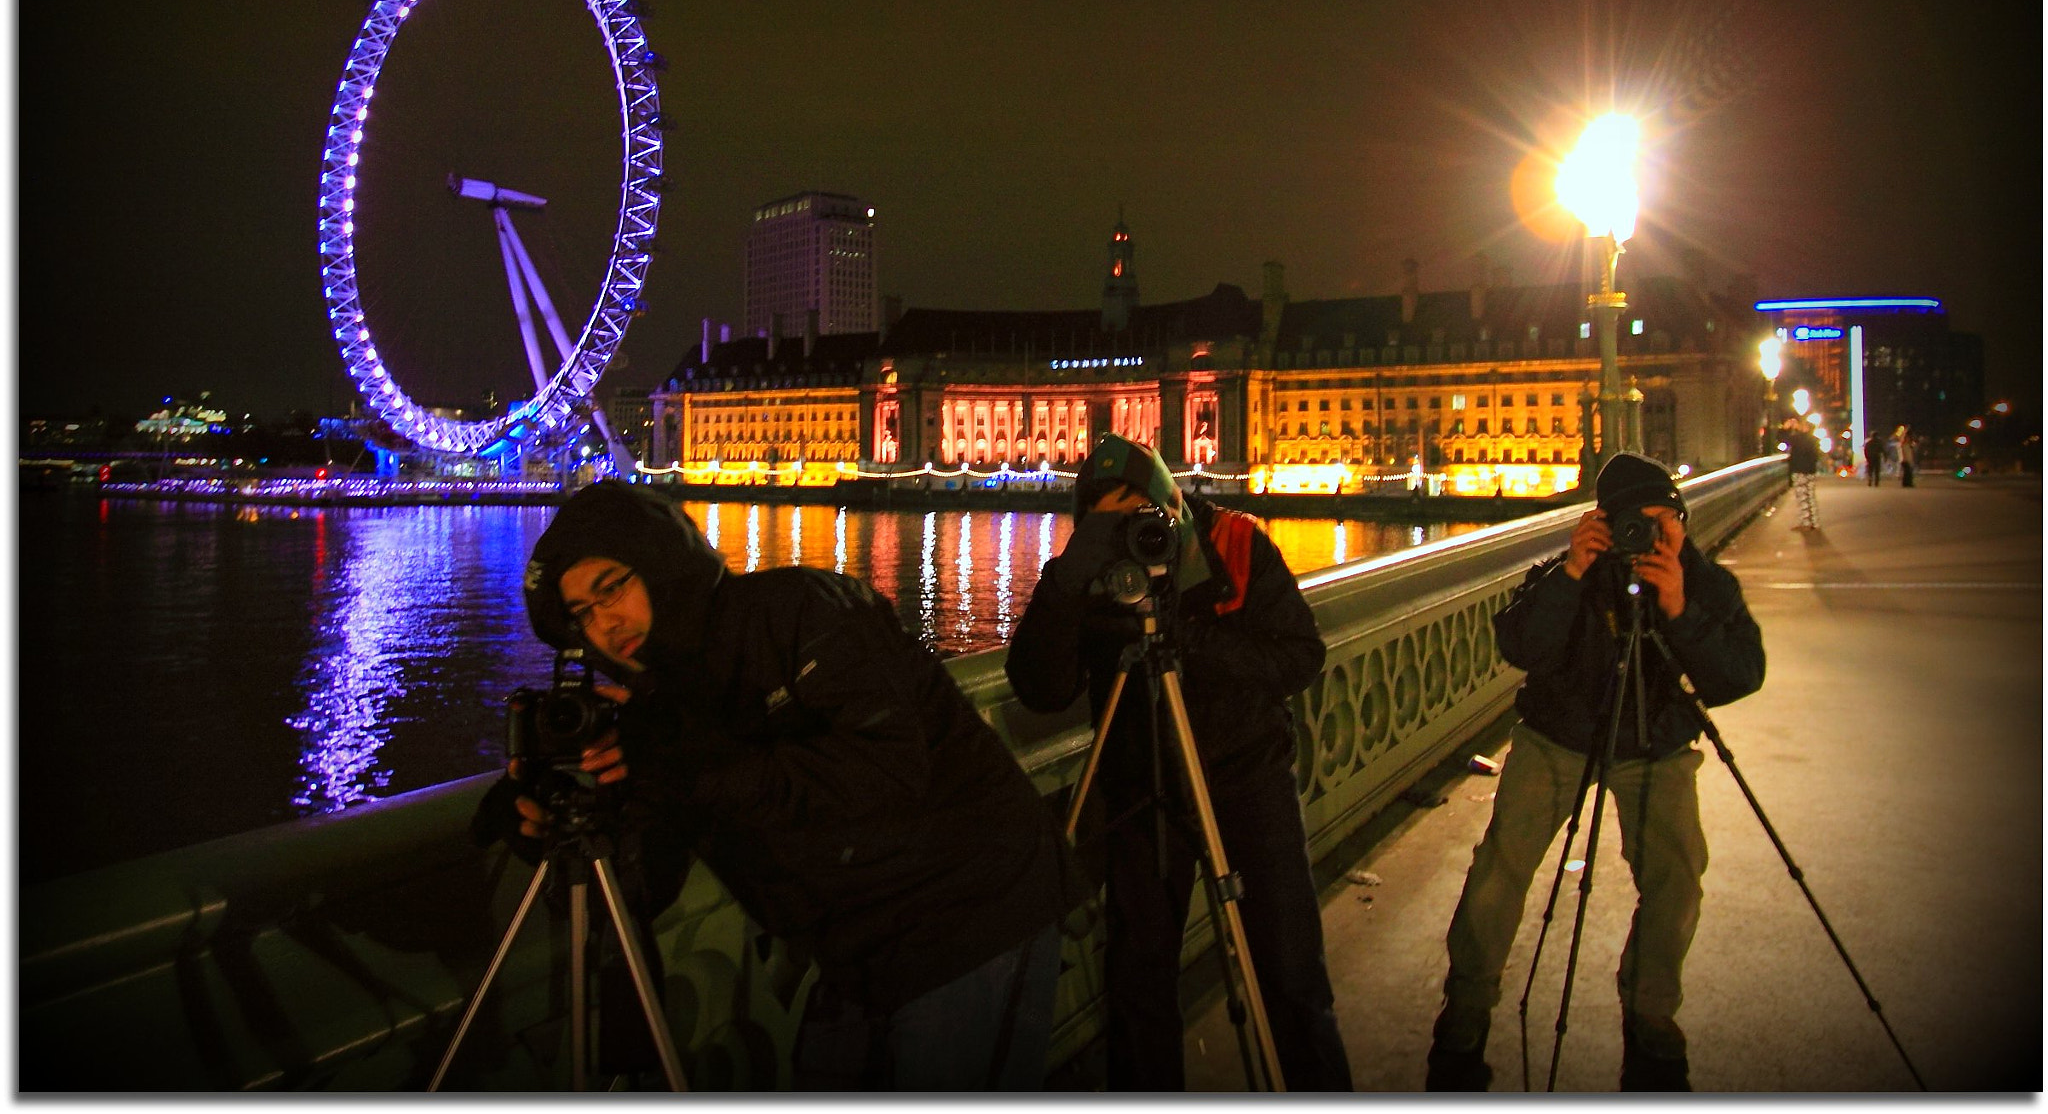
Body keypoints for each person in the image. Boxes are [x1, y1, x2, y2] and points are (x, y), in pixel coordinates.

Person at [473, 481, 1082, 1091]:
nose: (603, 623)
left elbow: (888, 771)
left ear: (662, 563)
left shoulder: (800, 611)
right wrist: (557, 815)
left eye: (611, 588)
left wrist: (697, 769)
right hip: (852, 951)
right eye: (581, 613)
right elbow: (648, 880)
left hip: (971, 912)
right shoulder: (657, 712)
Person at [1006, 435, 1353, 1091]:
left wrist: (1191, 639)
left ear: (1170, 499)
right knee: (1138, 984)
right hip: (1143, 791)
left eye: (1142, 513)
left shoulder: (1239, 542)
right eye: (1111, 521)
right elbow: (1041, 688)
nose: (1133, 532)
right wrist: (1065, 582)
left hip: (1247, 782)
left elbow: (1300, 656)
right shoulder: (1098, 574)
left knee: (1289, 973)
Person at [1425, 452, 1765, 1093]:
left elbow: (1741, 675)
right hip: (1561, 735)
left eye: (1668, 522)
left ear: (1684, 522)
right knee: (1502, 868)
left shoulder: (1704, 584)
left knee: (1677, 877)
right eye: (1638, 523)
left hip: (1655, 745)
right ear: (1604, 524)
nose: (1655, 538)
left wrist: (1680, 608)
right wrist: (1573, 569)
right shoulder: (1570, 574)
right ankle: (1464, 1014)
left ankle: (1651, 1016)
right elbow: (1520, 646)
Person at [1785, 418, 1822, 530]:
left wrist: (1788, 428)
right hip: (1811, 471)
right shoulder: (1814, 440)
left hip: (1800, 470)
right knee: (1810, 496)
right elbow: (1816, 456)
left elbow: (1785, 439)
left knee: (1802, 498)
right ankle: (1815, 522)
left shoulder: (1799, 439)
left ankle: (1806, 522)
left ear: (1806, 428)